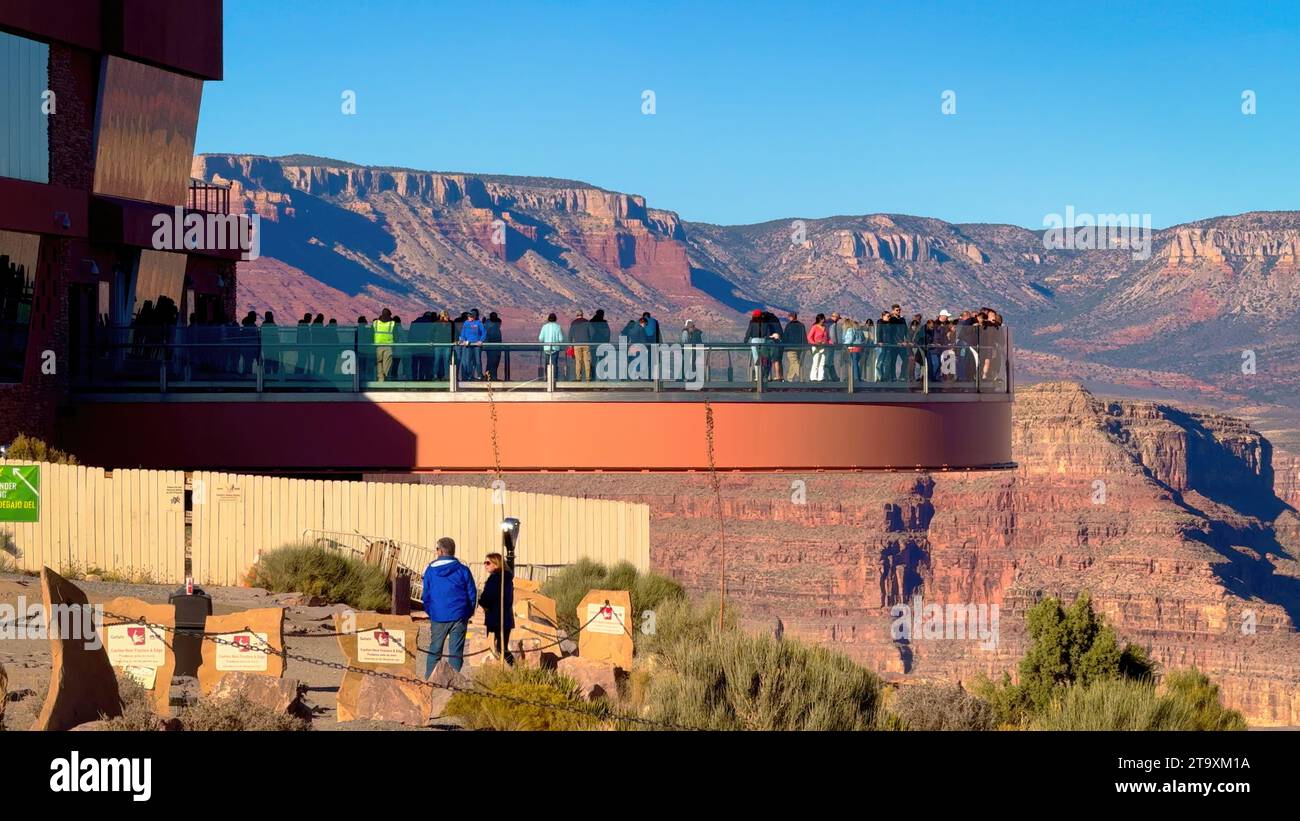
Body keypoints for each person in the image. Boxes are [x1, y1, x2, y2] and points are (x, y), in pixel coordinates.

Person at [421, 537, 477, 676]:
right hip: (459, 615)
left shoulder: (430, 570)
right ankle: (453, 685)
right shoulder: (463, 570)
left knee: (434, 651)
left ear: (440, 551)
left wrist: (431, 612)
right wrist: (467, 612)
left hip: (438, 615)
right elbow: (472, 593)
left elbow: (426, 595)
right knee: (456, 654)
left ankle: (430, 682)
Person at [479, 552, 515, 665]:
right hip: (506, 616)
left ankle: (515, 667)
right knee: (501, 647)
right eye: (484, 563)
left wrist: (481, 601)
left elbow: (487, 598)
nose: (485, 565)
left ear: (496, 564)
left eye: (488, 563)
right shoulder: (507, 578)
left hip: (497, 617)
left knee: (501, 648)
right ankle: (508, 669)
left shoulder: (495, 579)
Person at [458, 308, 485, 380]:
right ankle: (469, 375)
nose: (469, 318)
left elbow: (484, 333)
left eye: (470, 316)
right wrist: (463, 340)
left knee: (477, 360)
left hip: (476, 345)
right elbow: (463, 333)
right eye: (468, 316)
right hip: (468, 345)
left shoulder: (479, 323)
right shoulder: (466, 323)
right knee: (468, 360)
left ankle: (479, 375)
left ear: (474, 316)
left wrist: (481, 341)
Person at [372, 308, 396, 381]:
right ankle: (385, 376)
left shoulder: (375, 323)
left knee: (379, 362)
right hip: (388, 346)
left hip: (377, 346)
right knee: (387, 363)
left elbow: (370, 333)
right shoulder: (392, 323)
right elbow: (396, 334)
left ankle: (380, 378)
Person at [782, 312, 806, 382]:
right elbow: (804, 336)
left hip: (790, 347)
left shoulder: (789, 326)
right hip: (800, 347)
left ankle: (802, 377)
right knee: (793, 362)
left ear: (791, 317)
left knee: (794, 362)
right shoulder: (802, 325)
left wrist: (783, 346)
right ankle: (790, 378)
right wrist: (805, 345)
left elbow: (785, 336)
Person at [588, 309, 611, 379]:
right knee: (602, 362)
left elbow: (589, 333)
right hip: (602, 344)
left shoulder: (591, 322)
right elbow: (608, 333)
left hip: (593, 344)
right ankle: (602, 378)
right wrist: (606, 342)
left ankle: (592, 378)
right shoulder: (604, 323)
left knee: (593, 361)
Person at [430, 310, 453, 381]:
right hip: (438, 344)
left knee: (446, 361)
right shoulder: (436, 324)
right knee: (437, 360)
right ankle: (435, 375)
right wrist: (431, 341)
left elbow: (452, 334)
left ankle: (446, 376)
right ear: (442, 316)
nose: (448, 317)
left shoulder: (450, 324)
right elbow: (431, 333)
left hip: (447, 345)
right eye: (446, 315)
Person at [569, 310, 591, 381]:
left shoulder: (573, 323)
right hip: (586, 344)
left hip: (577, 345)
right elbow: (592, 332)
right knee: (587, 361)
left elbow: (570, 335)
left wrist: (570, 345)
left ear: (576, 315)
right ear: (582, 314)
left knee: (578, 362)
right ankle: (588, 378)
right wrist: (590, 340)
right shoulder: (587, 322)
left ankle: (578, 378)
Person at [807, 313, 829, 381]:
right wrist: (814, 343)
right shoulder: (814, 327)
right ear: (819, 319)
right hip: (816, 347)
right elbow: (809, 337)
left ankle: (821, 378)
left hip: (823, 346)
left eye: (824, 318)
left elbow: (827, 337)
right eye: (822, 319)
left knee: (822, 363)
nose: (823, 320)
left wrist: (829, 343)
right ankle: (813, 378)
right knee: (816, 362)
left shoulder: (825, 327)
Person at [485, 311, 504, 380]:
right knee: (492, 362)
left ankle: (493, 376)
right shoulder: (490, 326)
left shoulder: (495, 325)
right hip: (492, 347)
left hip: (497, 347)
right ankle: (490, 377)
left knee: (495, 362)